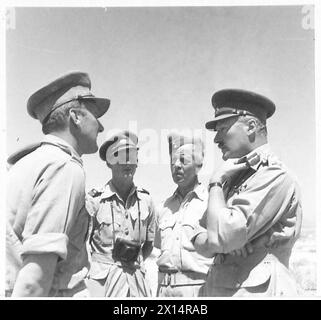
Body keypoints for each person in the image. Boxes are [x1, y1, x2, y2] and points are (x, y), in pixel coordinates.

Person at [6, 71, 110, 297]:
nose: (101, 126)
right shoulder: (64, 167)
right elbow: (35, 280)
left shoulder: (27, 163)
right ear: (76, 117)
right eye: (94, 114)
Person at [192, 88, 302, 297]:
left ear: (251, 126)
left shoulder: (274, 175)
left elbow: (219, 238)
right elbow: (196, 237)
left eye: (223, 128)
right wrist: (222, 241)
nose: (216, 140)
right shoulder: (234, 176)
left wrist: (215, 182)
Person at [85, 130, 155, 297]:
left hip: (136, 283)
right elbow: (82, 245)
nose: (127, 164)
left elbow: (149, 244)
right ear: (109, 163)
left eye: (132, 158)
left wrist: (132, 262)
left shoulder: (146, 201)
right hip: (102, 285)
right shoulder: (94, 201)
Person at [155, 132, 213, 297]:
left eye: (183, 160)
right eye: (173, 162)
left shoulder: (211, 203)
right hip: (163, 290)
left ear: (198, 165)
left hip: (199, 289)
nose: (177, 166)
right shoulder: (163, 208)